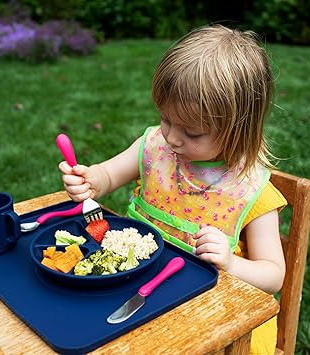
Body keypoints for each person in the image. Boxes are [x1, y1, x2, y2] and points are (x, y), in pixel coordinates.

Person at [59, 24, 287, 354]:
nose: (171, 137)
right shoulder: (154, 147)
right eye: (165, 119)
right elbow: (106, 177)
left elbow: (273, 277)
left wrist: (231, 263)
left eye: (192, 133)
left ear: (240, 130)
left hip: (216, 318)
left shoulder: (251, 189)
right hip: (143, 293)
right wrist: (89, 180)